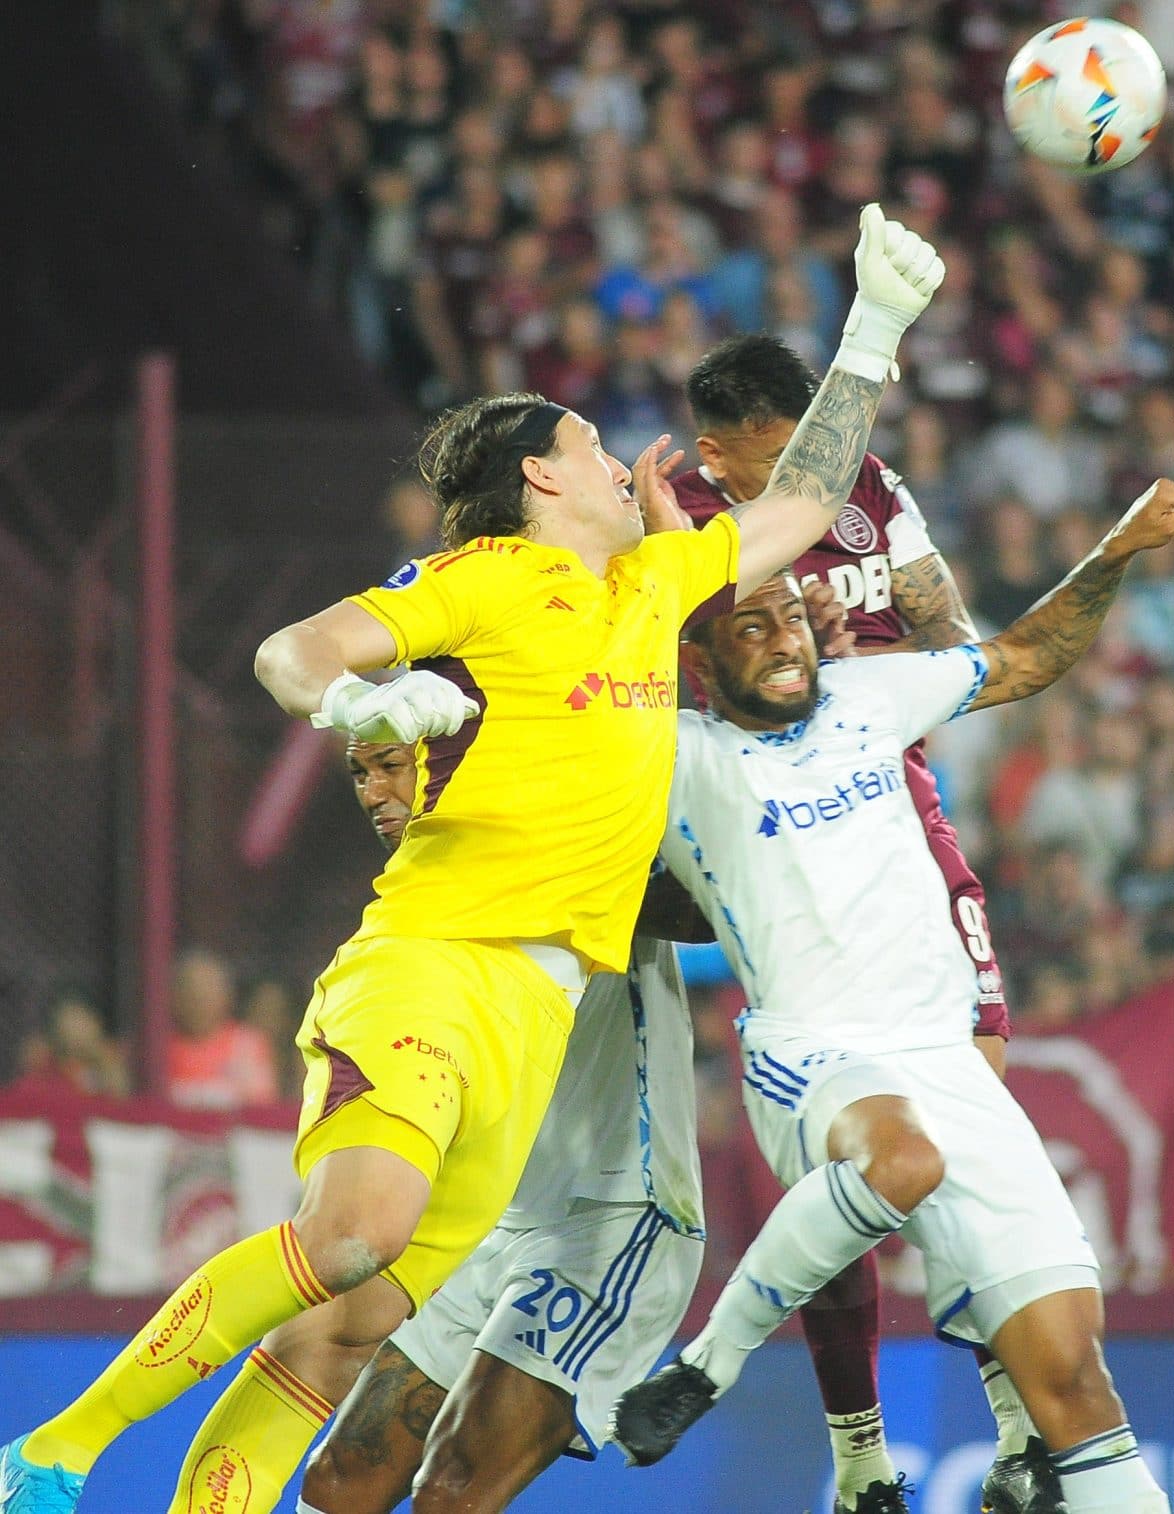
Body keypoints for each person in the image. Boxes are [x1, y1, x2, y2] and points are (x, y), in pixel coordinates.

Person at [0, 203, 942, 1514]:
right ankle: (53, 1449)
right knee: (352, 1236)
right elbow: (295, 651)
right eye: (596, 449)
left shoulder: (653, 584)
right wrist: (352, 702)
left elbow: (806, 500)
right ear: (544, 480)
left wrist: (876, 331)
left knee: (346, 1319)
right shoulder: (486, 575)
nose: (624, 465)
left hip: (538, 1017)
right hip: (432, 965)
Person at [611, 477, 1174, 1514]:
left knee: (1073, 1378)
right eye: (745, 625)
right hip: (811, 1051)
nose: (782, 636)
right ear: (696, 662)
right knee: (901, 1159)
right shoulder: (675, 756)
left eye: (789, 616)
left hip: (944, 1059)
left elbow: (1025, 654)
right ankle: (705, 1363)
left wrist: (1119, 543)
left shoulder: (872, 694)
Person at [670, 333, 1048, 1513]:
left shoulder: (872, 489)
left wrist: (867, 673)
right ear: (717, 452)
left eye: (820, 451)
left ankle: (1010, 1428)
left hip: (891, 812)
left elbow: (951, 637)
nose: (815, 482)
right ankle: (857, 1451)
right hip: (746, 830)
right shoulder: (673, 521)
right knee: (841, 1153)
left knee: (966, 1092)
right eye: (785, 458)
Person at [297, 736, 703, 1514]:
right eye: (359, 771)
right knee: (340, 1479)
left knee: (453, 1489)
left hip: (612, 1214)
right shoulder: (413, 898)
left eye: (392, 764)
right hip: (495, 1218)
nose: (374, 791)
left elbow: (705, 911)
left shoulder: (574, 831)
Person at [166, 948, 279, 1111]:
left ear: (226, 995)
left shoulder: (247, 1045)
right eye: (191, 990)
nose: (199, 999)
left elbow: (262, 1109)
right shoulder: (158, 1050)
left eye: (207, 988)